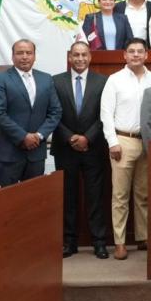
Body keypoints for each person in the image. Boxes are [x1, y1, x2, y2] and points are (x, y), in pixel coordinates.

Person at [100, 38, 151, 260]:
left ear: (147, 55)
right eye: (131, 51)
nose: (136, 55)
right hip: (122, 141)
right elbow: (106, 114)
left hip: (147, 142)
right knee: (120, 195)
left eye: (140, 51)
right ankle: (120, 242)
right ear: (124, 55)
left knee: (144, 193)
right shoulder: (114, 80)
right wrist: (112, 142)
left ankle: (143, 237)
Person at [51, 41, 110, 259]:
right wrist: (69, 137)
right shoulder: (55, 82)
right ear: (69, 57)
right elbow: (52, 114)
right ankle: (69, 242)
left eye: (84, 55)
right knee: (68, 197)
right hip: (65, 149)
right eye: (76, 55)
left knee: (96, 197)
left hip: (93, 148)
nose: (80, 59)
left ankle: (99, 242)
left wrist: (87, 138)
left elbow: (105, 115)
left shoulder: (103, 82)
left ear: (90, 57)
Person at [0, 39, 61, 188]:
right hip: (9, 154)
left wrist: (39, 135)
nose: (24, 56)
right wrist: (23, 137)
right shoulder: (1, 79)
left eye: (29, 53)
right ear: (12, 56)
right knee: (6, 202)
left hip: (36, 154)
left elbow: (55, 112)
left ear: (34, 56)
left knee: (34, 202)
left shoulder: (46, 79)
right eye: (20, 53)